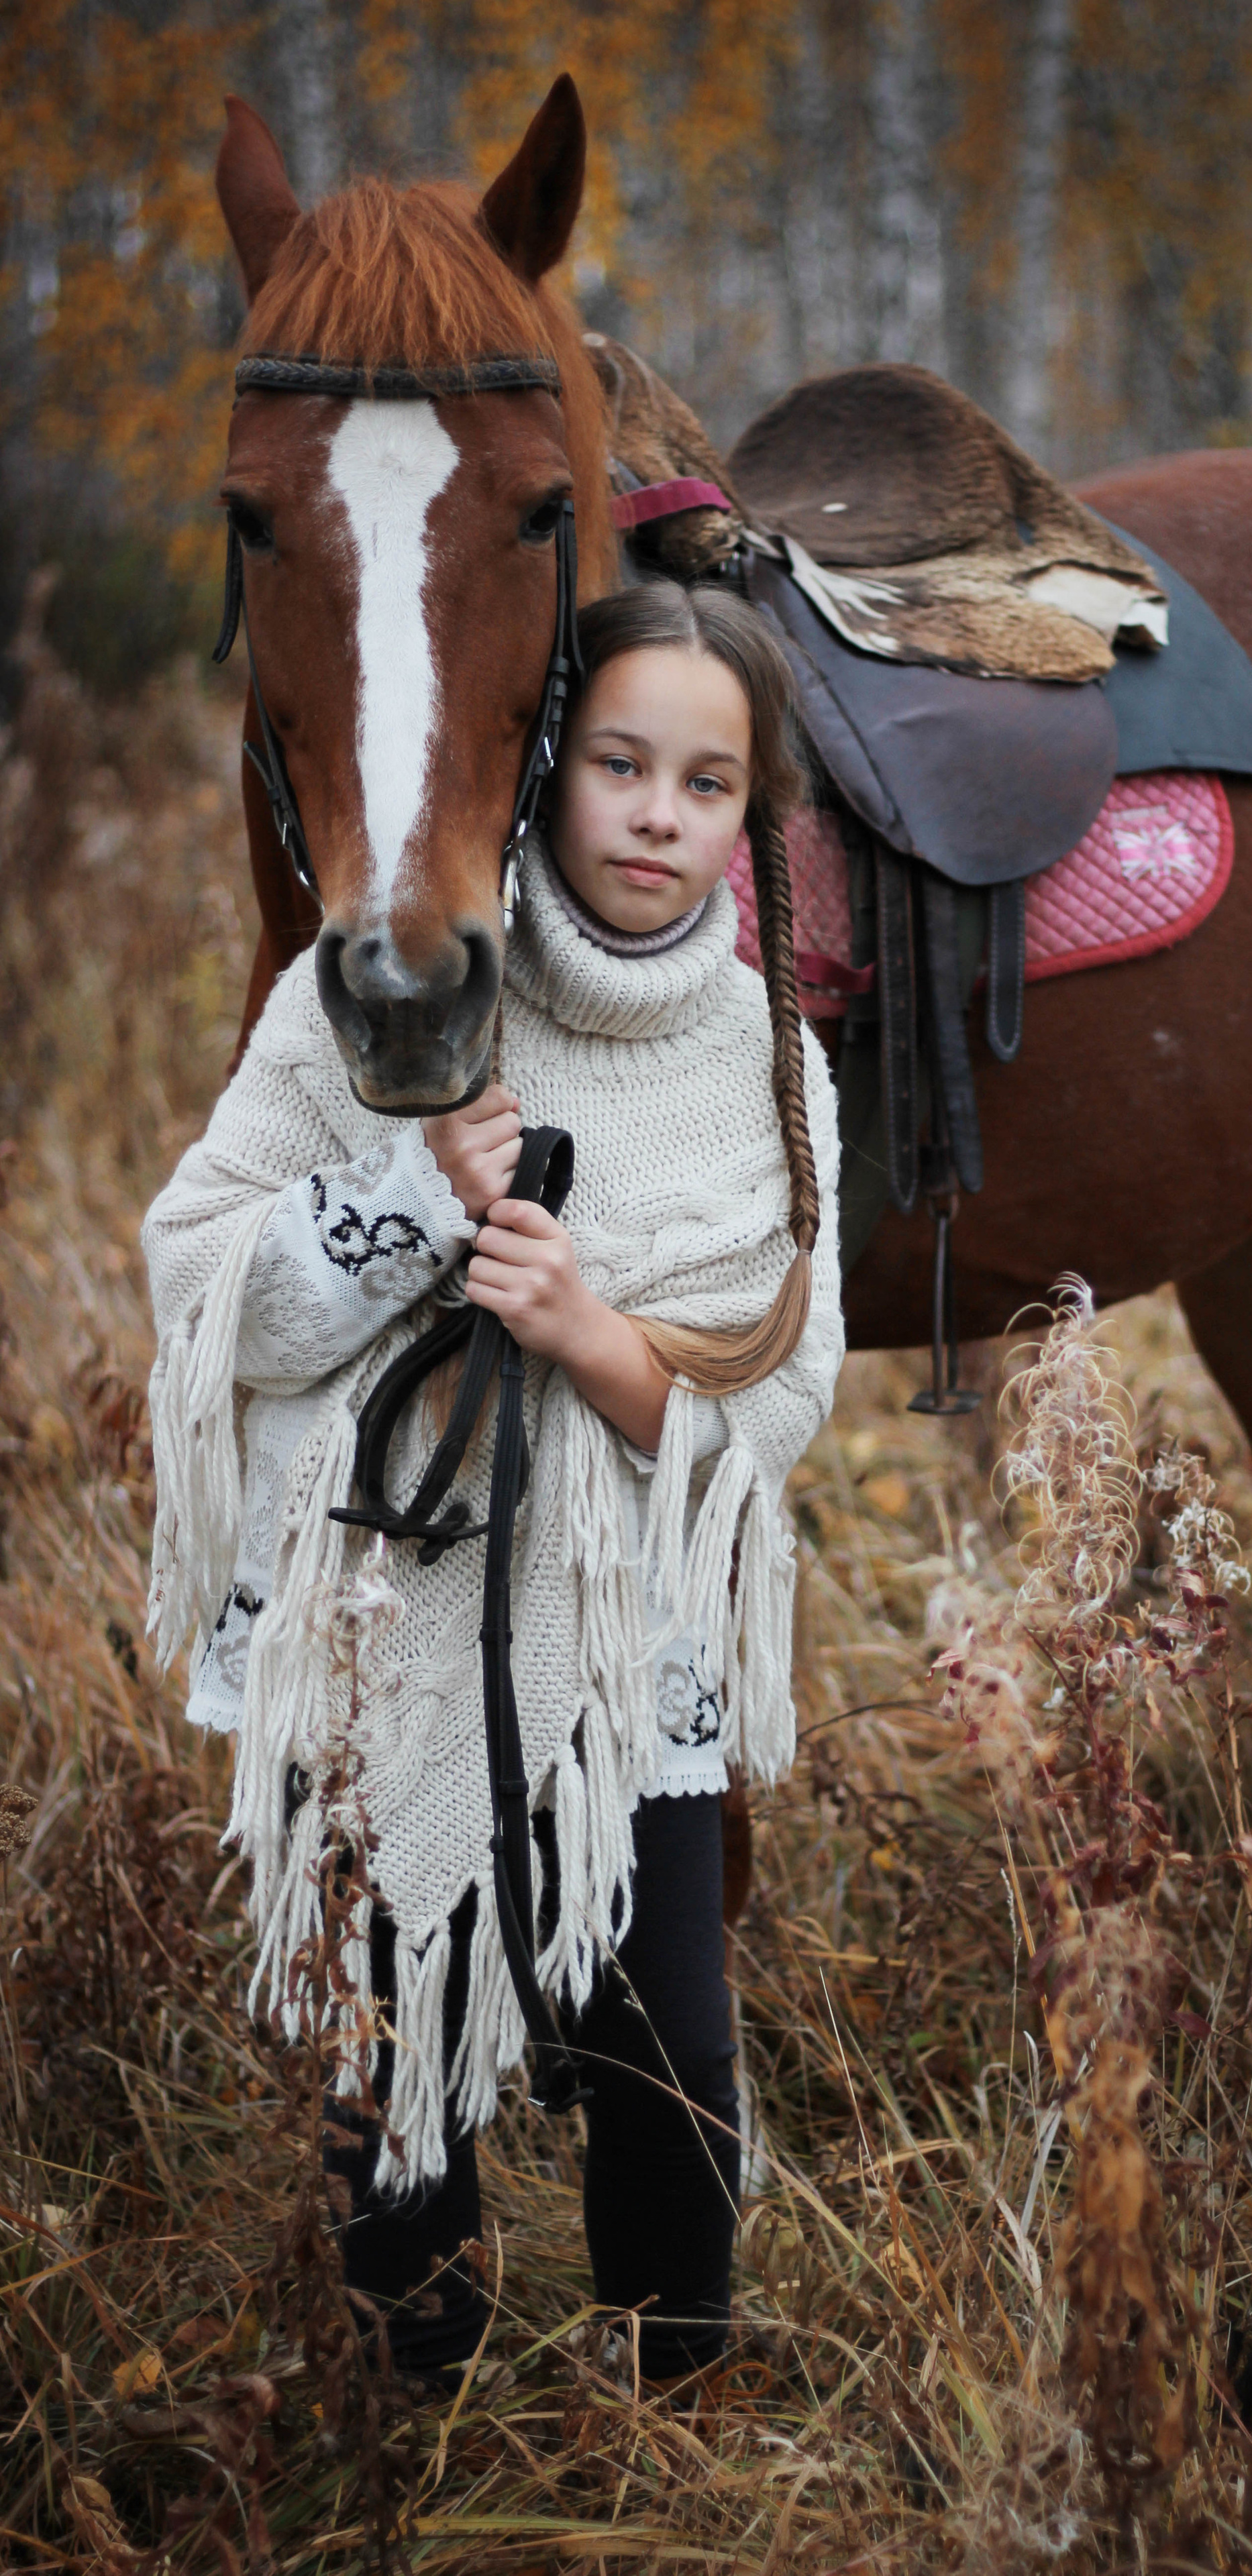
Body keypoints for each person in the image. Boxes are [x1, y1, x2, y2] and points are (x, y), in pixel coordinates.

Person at [143, 581, 843, 2389]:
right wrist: (410, 1209)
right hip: (381, 1630)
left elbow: (784, 1395)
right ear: (545, 768)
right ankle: (409, 2415)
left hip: (626, 1667)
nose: (656, 815)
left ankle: (671, 2405)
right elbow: (200, 1278)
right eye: (620, 762)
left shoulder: (772, 1069)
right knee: (390, 2065)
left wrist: (601, 1345)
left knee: (670, 2056)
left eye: (706, 781)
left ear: (746, 815)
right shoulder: (375, 1002)